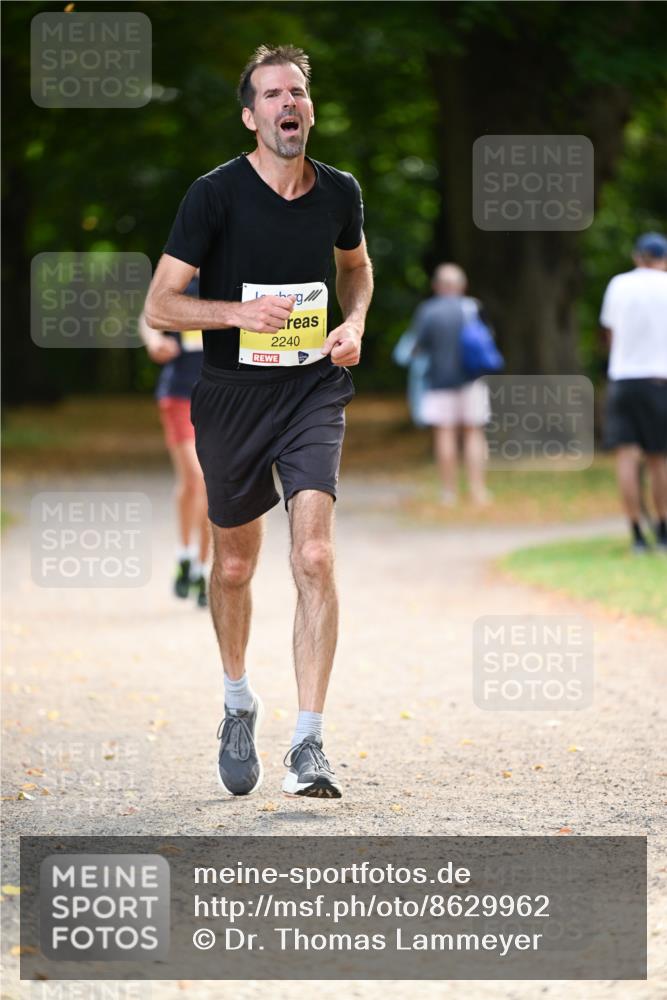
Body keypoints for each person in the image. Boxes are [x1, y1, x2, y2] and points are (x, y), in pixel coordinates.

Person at [144, 44, 373, 799]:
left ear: (310, 108)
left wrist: (353, 323)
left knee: (314, 555)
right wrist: (236, 314)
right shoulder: (213, 195)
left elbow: (355, 268)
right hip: (231, 396)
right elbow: (161, 304)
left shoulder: (339, 191)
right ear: (251, 117)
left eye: (297, 92)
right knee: (235, 567)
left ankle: (309, 743)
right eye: (272, 94)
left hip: (311, 389)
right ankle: (238, 701)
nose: (288, 103)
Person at [139, 272, 210, 606]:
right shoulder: (179, 273)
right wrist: (154, 342)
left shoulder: (233, 272)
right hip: (179, 394)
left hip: (220, 397)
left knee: (209, 485)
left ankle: (201, 570)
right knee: (195, 479)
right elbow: (148, 315)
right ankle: (185, 554)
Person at [600, 232, 667, 554]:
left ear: (637, 256)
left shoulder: (618, 284)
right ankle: (663, 529)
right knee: (659, 458)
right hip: (658, 381)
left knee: (626, 457)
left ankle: (636, 533)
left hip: (623, 379)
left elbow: (610, 333)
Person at [412, 263, 492, 505]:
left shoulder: (428, 311)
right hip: (472, 380)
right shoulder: (473, 307)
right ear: (462, 285)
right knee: (474, 432)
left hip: (438, 381)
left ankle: (449, 493)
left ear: (436, 285)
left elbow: (418, 347)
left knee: (444, 434)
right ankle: (478, 490)